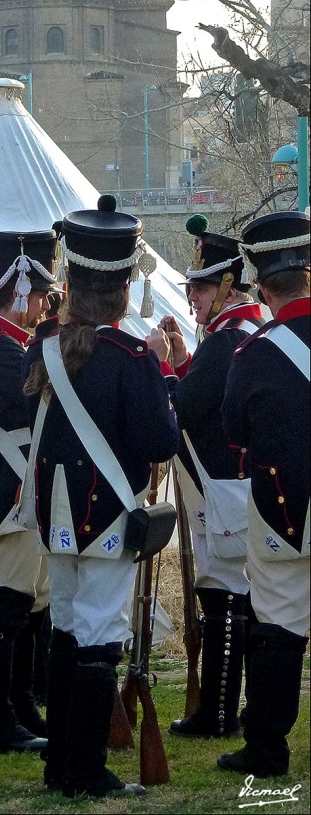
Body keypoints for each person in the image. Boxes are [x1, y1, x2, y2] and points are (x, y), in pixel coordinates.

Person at [23, 194, 178, 798]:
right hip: (109, 516)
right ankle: (85, 772)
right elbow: (160, 438)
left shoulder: (43, 350)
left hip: (57, 513)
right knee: (99, 633)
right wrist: (164, 373)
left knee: (66, 625)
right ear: (121, 289)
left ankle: (61, 761)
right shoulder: (133, 358)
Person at [146, 214, 263, 740]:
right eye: (192, 287)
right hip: (232, 486)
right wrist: (182, 360)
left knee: (221, 600)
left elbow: (185, 409)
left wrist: (162, 367)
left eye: (201, 287)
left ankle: (214, 714)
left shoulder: (224, 341)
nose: (192, 297)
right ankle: (225, 710)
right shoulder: (241, 332)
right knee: (233, 600)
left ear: (227, 287)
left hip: (221, 489)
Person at [218, 210, 310, 778]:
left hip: (284, 511)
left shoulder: (253, 353)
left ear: (261, 282)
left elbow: (234, 433)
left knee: (277, 623)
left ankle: (268, 748)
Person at [0, 228, 58, 753]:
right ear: (20, 288)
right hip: (12, 491)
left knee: (29, 604)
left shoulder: (12, 343)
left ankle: (20, 705)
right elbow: (33, 407)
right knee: (6, 606)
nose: (44, 305)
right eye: (41, 294)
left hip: (28, 492)